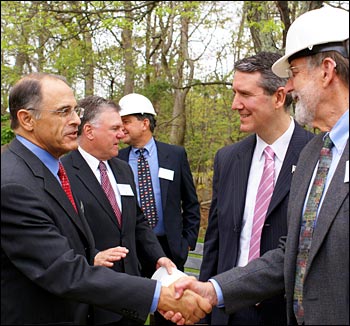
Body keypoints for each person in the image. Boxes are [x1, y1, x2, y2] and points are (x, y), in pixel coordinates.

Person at [171, 6, 349, 326]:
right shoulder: (317, 155)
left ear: (326, 70)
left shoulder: (308, 151)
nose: (290, 87)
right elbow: (291, 250)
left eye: (294, 74)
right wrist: (214, 290)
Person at [1, 72, 212, 325]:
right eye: (64, 111)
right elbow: (63, 269)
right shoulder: (14, 184)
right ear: (27, 119)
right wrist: (159, 296)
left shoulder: (53, 170)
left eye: (76, 111)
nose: (76, 121)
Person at [199, 51, 314, 325]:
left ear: (278, 97)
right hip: (228, 310)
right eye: (234, 93)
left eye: (245, 94)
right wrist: (203, 309)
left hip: (287, 314)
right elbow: (214, 243)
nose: (234, 104)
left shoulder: (316, 155)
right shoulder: (227, 159)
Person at [61, 95, 176, 325]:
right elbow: (61, 232)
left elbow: (138, 221)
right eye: (115, 128)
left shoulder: (123, 169)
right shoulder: (64, 171)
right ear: (90, 131)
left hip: (131, 296)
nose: (121, 135)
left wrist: (158, 257)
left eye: (122, 128)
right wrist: (89, 257)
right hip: (93, 298)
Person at [117, 93, 201, 324]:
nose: (120, 128)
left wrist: (187, 242)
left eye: (126, 121)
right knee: (131, 312)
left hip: (170, 248)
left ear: (144, 123)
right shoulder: (116, 159)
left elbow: (191, 203)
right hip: (132, 248)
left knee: (170, 314)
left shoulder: (174, 155)